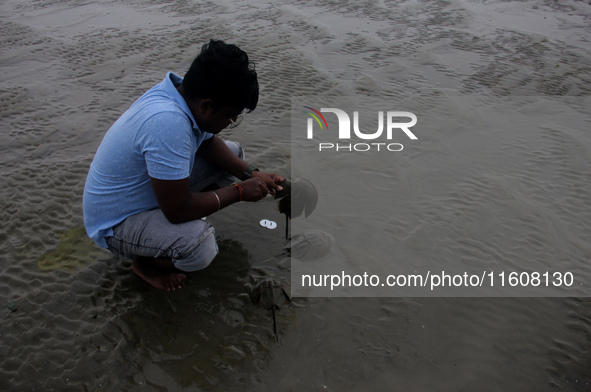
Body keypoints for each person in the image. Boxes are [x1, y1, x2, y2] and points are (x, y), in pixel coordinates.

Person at [83, 40, 284, 291]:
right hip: (116, 222)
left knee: (234, 156)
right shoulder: (168, 123)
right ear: (207, 106)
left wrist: (251, 173)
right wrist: (240, 192)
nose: (231, 122)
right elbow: (177, 209)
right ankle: (146, 263)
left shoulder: (179, 92)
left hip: (147, 194)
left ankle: (170, 233)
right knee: (200, 248)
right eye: (231, 116)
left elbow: (206, 142)